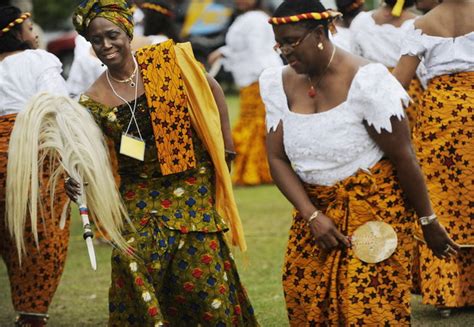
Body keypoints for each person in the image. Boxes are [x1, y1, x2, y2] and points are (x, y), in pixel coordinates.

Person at [259, 0, 458, 325]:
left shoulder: (369, 81)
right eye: (279, 43)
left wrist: (428, 221)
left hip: (374, 218)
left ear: (321, 33)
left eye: (292, 41)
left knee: (370, 313)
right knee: (307, 306)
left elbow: (404, 158)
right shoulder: (276, 83)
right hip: (315, 220)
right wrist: (312, 216)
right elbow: (276, 158)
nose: (284, 51)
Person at [69, 0, 258, 325]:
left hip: (190, 180)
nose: (105, 45)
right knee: (132, 259)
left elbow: (210, 86)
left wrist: (225, 143)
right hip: (139, 191)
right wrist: (76, 179)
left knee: (201, 276)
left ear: (127, 32)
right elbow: (89, 153)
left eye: (112, 35)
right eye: (96, 40)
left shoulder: (165, 61)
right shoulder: (92, 98)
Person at [393, 0, 474, 318]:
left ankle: (446, 292)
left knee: (440, 197)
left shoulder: (420, 25)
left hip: (439, 118)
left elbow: (399, 82)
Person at [0, 5, 70, 326]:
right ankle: (32, 313)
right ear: (15, 33)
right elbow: (57, 103)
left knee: (9, 235)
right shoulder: (37, 60)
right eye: (29, 27)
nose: (36, 32)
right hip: (32, 153)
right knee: (43, 235)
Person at [207, 0, 282, 186]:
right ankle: (260, 171)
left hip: (257, 78)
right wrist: (223, 52)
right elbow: (242, 49)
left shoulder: (255, 19)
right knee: (256, 125)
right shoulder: (250, 18)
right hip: (253, 78)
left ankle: (253, 173)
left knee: (253, 125)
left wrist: (263, 79)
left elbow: (258, 51)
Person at [350, 0, 423, 131]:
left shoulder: (361, 21)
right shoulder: (418, 24)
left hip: (369, 89)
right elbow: (423, 69)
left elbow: (353, 58)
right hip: (407, 93)